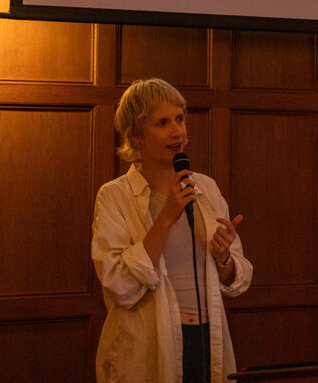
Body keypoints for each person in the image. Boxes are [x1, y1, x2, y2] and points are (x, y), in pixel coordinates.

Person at [91, 78, 253, 383]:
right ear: (136, 136)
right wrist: (165, 218)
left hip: (208, 340)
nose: (177, 131)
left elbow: (238, 278)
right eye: (162, 123)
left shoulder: (204, 188)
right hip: (148, 349)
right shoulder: (115, 196)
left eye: (180, 119)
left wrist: (224, 258)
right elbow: (118, 285)